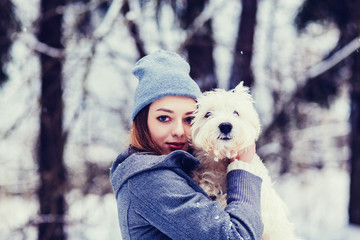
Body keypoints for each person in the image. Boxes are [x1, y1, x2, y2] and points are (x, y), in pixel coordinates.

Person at [110, 50, 263, 240]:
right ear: (142, 123)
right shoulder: (148, 179)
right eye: (164, 118)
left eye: (189, 119)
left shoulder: (181, 168)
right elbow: (236, 237)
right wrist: (243, 169)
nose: (179, 131)